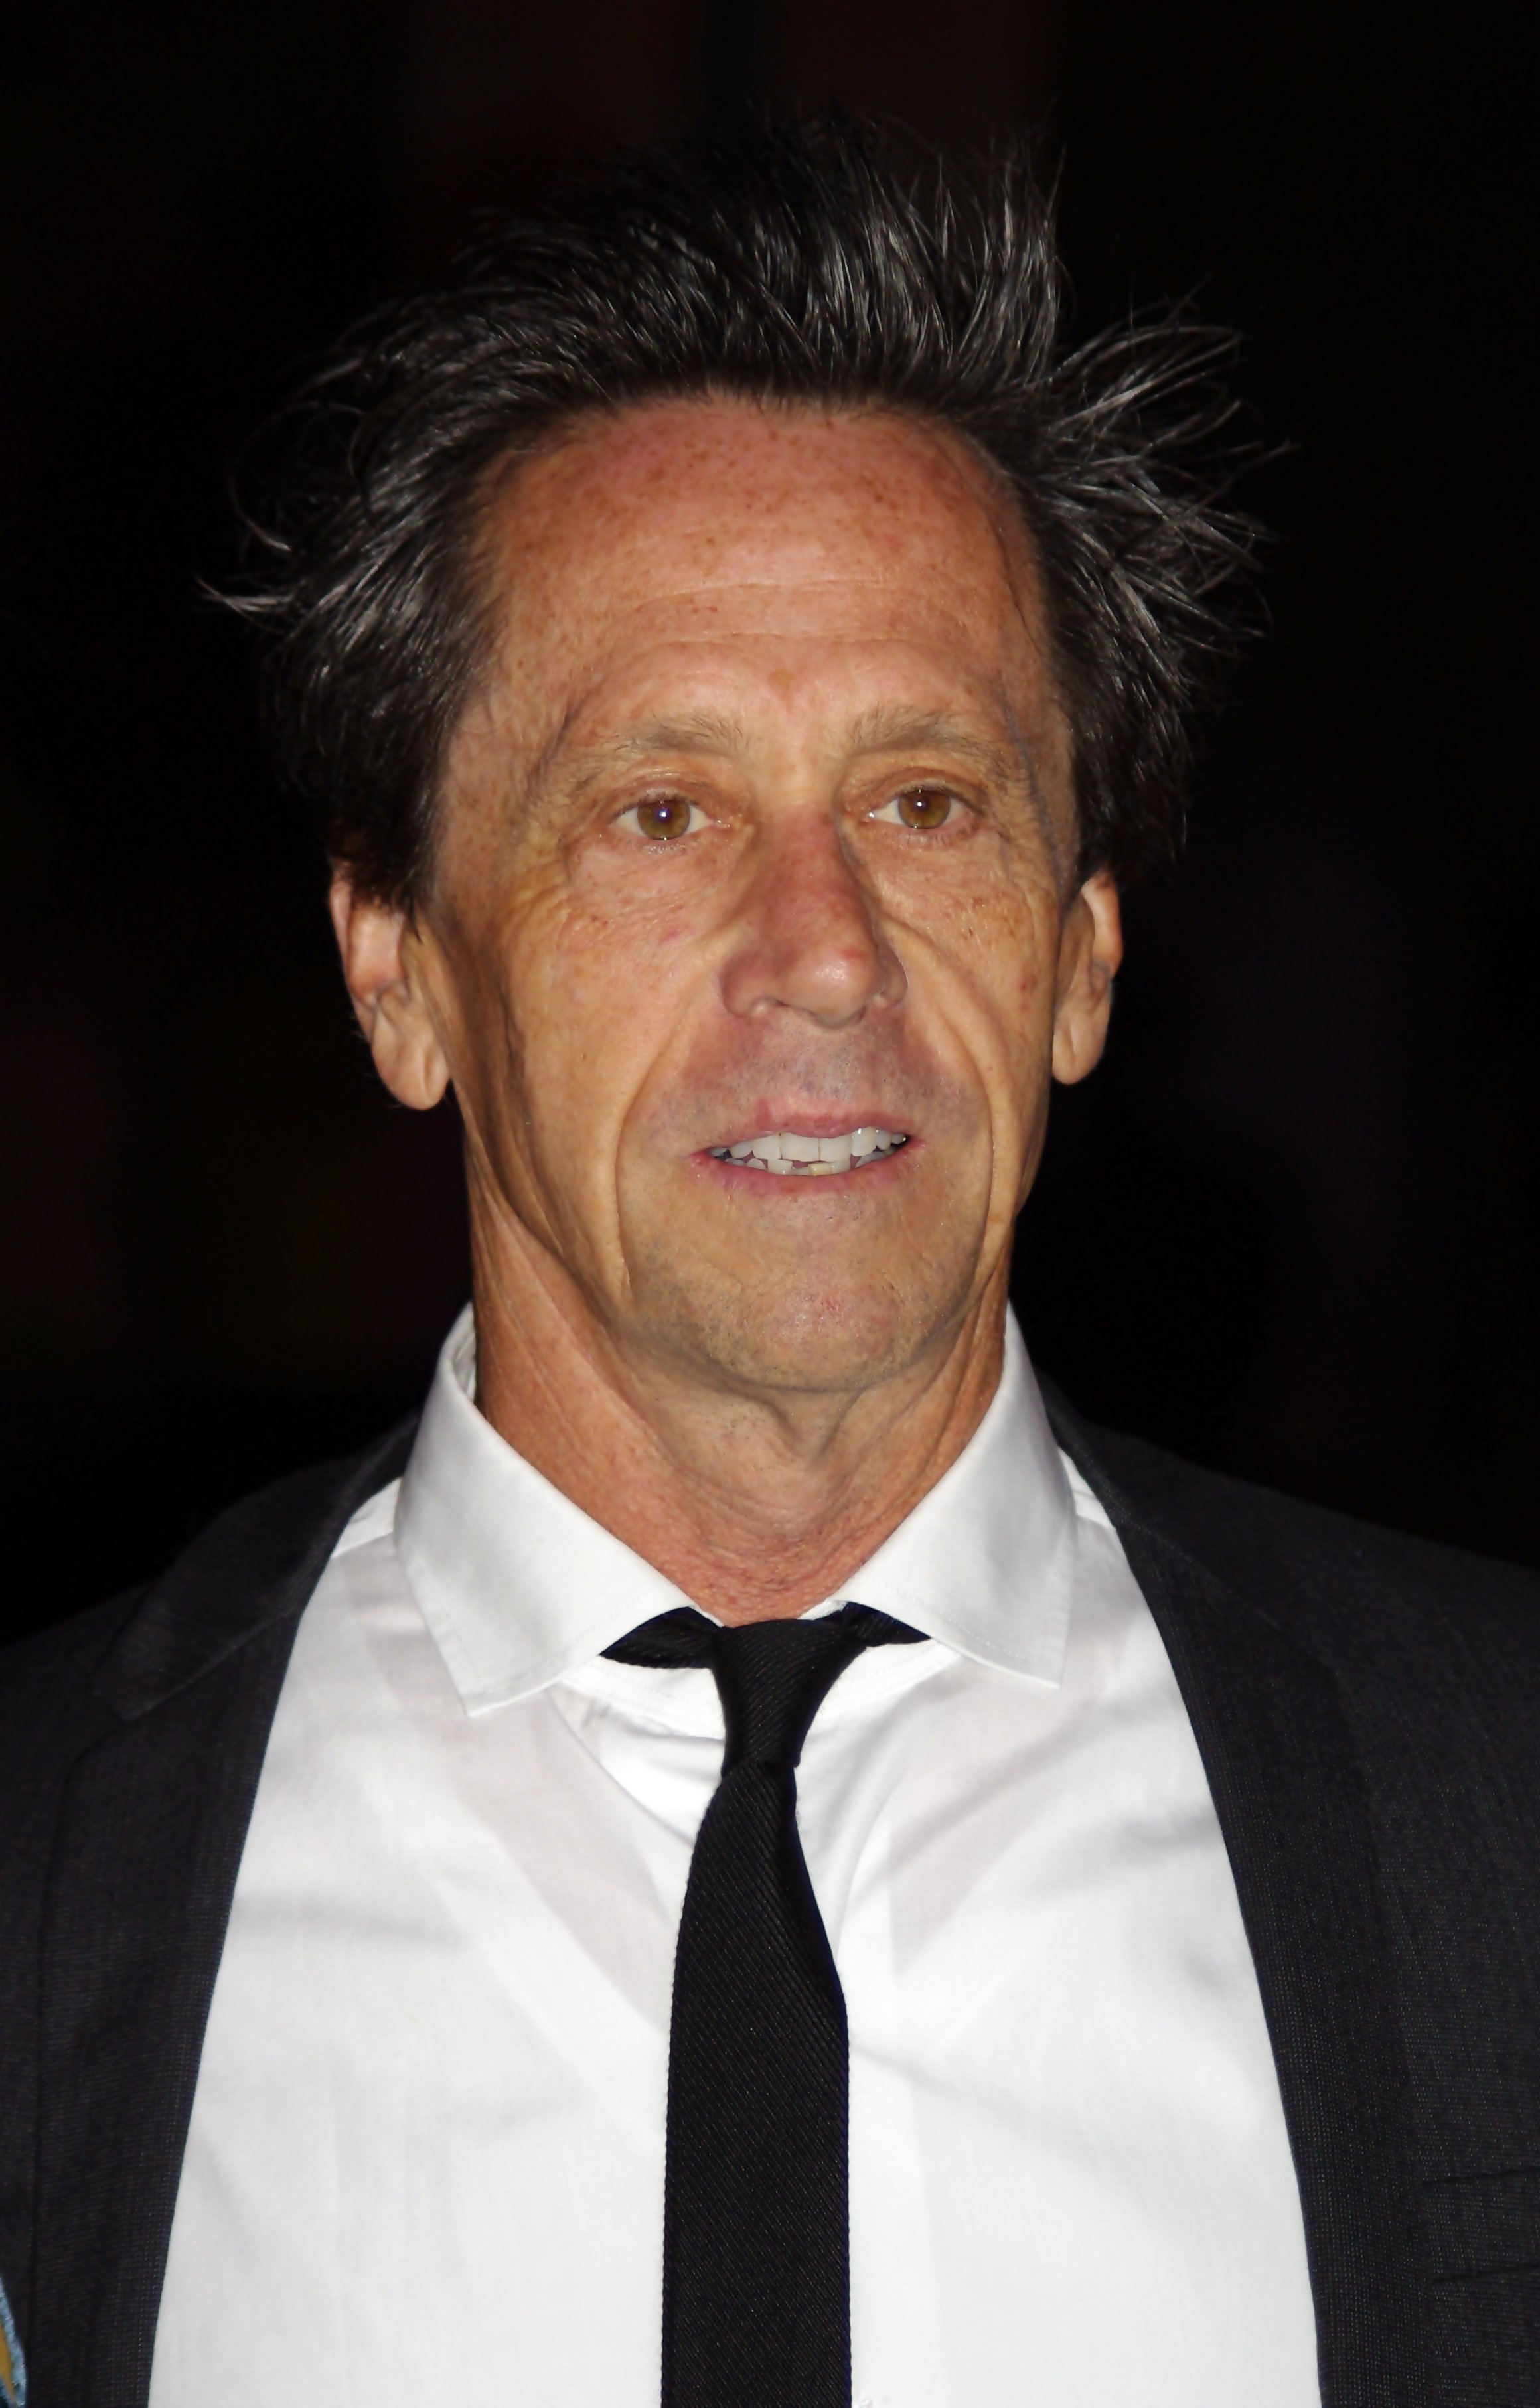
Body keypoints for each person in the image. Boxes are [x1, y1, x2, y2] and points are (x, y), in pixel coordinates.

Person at [1, 115, 1535, 2408]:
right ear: (397, 966)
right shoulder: (44, 1864)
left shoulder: (1499, 1804)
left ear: (1084, 953)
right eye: (662, 810)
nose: (824, 953)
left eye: (928, 801)